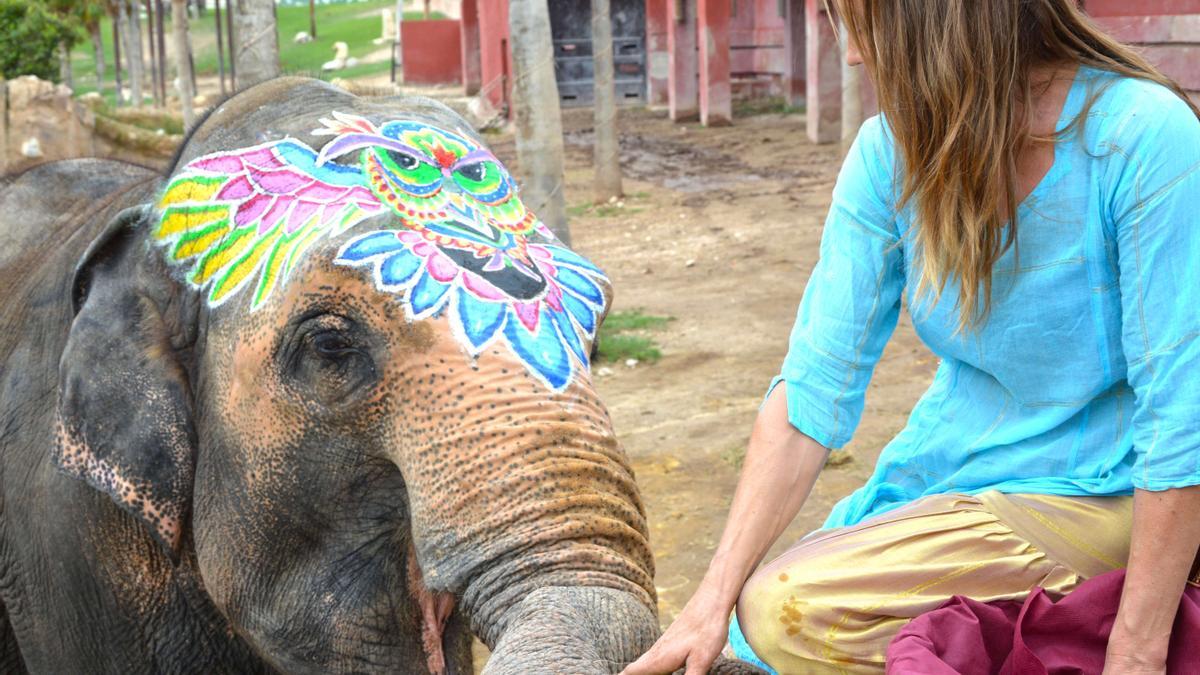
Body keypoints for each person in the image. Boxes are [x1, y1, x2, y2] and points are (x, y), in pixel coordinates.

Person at [622, 1, 1200, 673]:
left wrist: (1134, 652)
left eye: (855, 21)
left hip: (1111, 488)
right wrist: (707, 602)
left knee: (792, 607)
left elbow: (1182, 414)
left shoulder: (1140, 137)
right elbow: (812, 392)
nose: (852, 56)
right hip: (960, 472)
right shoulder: (887, 154)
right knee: (761, 618)